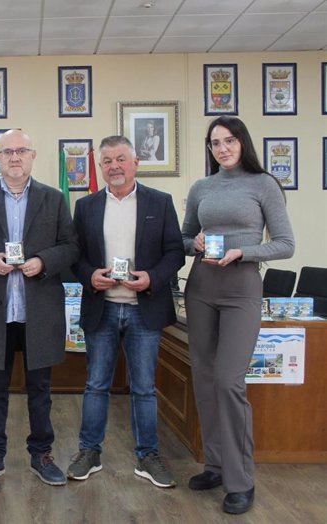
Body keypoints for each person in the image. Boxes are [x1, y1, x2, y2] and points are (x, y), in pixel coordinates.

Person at [0, 128, 79, 487]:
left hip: (39, 309)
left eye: (21, 150)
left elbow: (71, 247)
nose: (14, 157)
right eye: (7, 152)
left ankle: (41, 455)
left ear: (32, 155)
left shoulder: (53, 199)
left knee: (40, 390)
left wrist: (43, 261)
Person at [182, 116, 294, 515]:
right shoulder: (202, 188)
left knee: (229, 382)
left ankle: (241, 480)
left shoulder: (263, 185)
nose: (222, 148)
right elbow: (182, 238)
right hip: (201, 288)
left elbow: (285, 244)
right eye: (215, 143)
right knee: (205, 379)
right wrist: (192, 241)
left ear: (242, 143)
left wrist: (242, 252)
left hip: (242, 287)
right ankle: (215, 465)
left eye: (229, 140)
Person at [68, 135, 184, 489]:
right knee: (96, 384)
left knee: (145, 388)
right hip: (101, 309)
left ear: (136, 163)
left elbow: (175, 252)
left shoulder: (160, 202)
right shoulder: (85, 206)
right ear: (99, 166)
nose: (114, 166)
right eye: (107, 161)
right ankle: (90, 452)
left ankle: (148, 457)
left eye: (121, 159)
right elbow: (75, 256)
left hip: (143, 310)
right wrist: (90, 275)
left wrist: (152, 278)